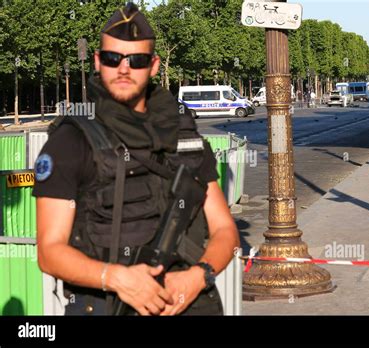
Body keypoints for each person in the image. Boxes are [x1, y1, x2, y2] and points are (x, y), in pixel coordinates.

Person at [33, 2, 239, 316]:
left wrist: (198, 276)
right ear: (99, 62)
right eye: (114, 58)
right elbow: (50, 252)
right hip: (106, 305)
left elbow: (224, 229)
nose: (124, 69)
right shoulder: (70, 142)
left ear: (154, 65)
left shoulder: (186, 137)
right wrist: (115, 278)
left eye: (137, 60)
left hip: (188, 304)